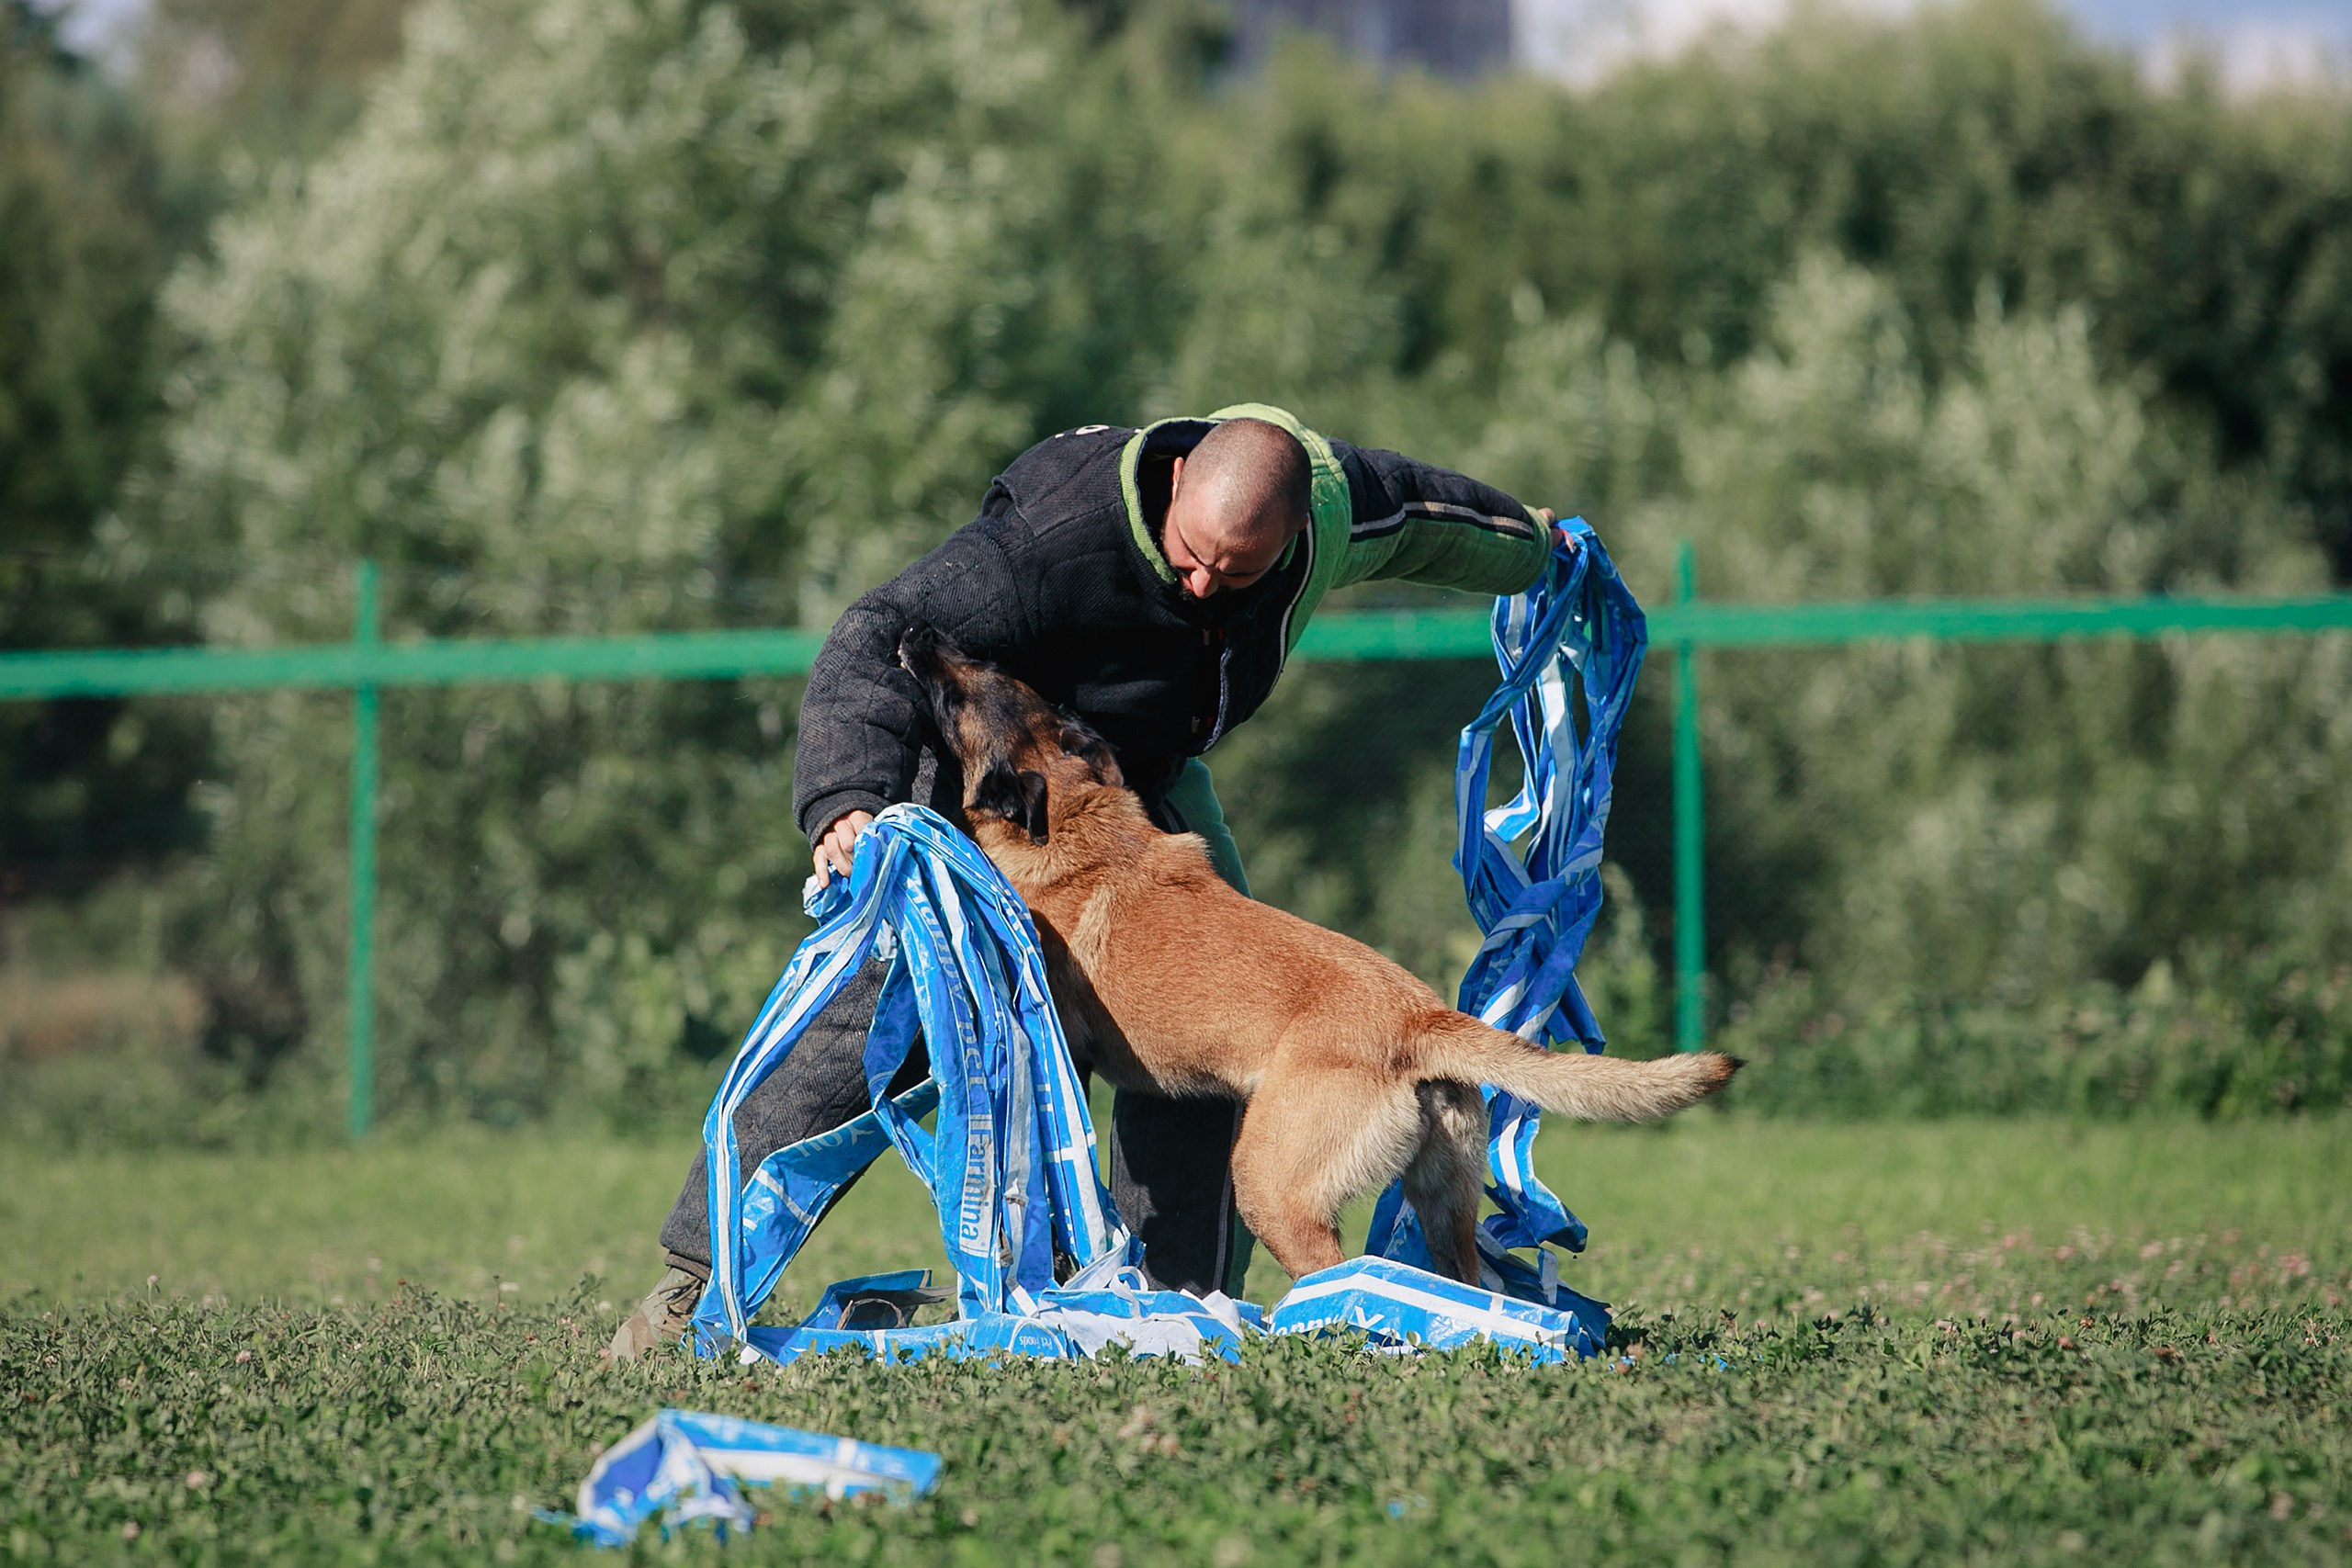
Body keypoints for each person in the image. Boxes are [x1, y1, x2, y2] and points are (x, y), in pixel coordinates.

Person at [608, 402, 1562, 1359]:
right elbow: (877, 634)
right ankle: (695, 1285)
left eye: (1238, 573)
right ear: (1178, 480)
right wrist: (846, 798)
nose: (1203, 586)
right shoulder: (1051, 534)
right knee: (867, 1023)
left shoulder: (1326, 506)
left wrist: (1545, 554)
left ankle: (1166, 1306)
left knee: (1229, 1018)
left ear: (1296, 535)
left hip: (1132, 787)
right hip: (985, 789)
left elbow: (1440, 520)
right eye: (1190, 559)